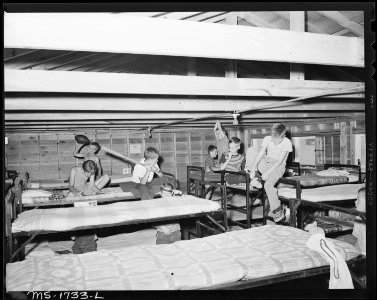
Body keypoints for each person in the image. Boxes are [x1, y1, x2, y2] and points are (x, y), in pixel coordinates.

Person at [247, 123, 293, 223]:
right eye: (273, 139)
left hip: (278, 166)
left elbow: (280, 161)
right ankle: (256, 178)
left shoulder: (287, 142)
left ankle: (278, 210)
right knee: (252, 151)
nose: (275, 142)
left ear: (283, 136)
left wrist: (267, 173)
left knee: (268, 185)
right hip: (267, 161)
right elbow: (260, 154)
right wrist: (253, 168)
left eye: (277, 140)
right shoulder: (267, 139)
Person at [67, 160, 109, 254]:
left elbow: (92, 185)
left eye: (91, 174)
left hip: (87, 189)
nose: (90, 176)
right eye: (88, 174)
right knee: (69, 195)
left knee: (106, 177)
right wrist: (77, 193)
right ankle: (73, 233)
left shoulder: (92, 171)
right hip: (76, 191)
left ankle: (94, 233)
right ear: (82, 169)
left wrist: (100, 193)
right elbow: (70, 186)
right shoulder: (74, 170)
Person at [353, 187, 366, 255]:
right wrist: (355, 253)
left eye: (358, 199)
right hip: (362, 253)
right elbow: (358, 239)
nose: (355, 202)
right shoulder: (358, 217)